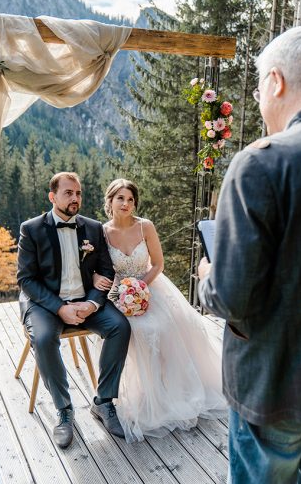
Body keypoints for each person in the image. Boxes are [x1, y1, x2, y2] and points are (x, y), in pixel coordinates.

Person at [197, 25, 301, 484]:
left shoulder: (262, 164)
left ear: (275, 82)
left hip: (273, 387)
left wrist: (208, 274)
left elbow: (230, 295)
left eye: (255, 87)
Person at [93, 178, 227, 443]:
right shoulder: (102, 232)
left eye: (130, 199)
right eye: (120, 198)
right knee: (131, 330)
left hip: (150, 286)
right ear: (110, 201)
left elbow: (158, 264)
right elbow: (99, 268)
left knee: (163, 326)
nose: (126, 204)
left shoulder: (145, 226)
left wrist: (140, 285)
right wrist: (121, 290)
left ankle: (171, 389)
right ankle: (141, 392)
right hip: (120, 293)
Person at [17, 172, 131, 448]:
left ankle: (103, 401)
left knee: (120, 327)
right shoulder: (31, 229)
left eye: (78, 193)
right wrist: (60, 309)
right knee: (43, 339)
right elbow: (26, 279)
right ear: (52, 196)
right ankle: (64, 409)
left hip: (85, 300)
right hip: (46, 304)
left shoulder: (93, 228)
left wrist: (91, 303)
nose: (75, 198)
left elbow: (105, 270)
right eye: (68, 193)